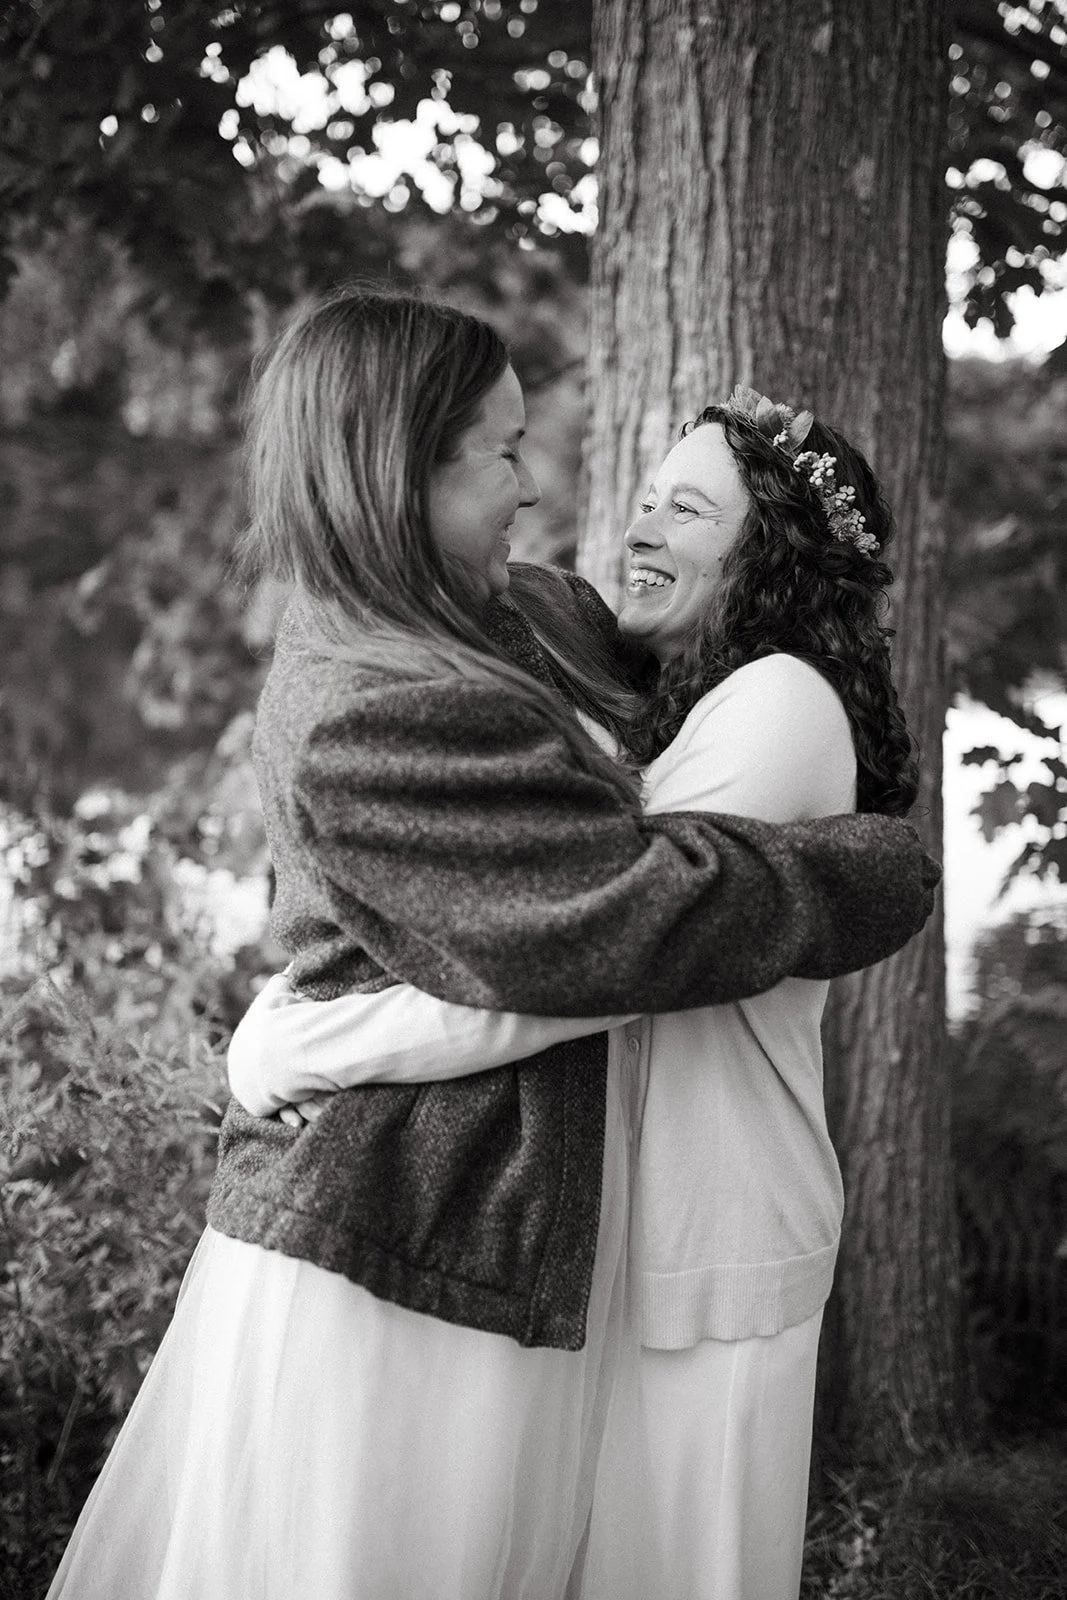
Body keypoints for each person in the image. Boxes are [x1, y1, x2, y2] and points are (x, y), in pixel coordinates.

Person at [46, 288, 934, 1600]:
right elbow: (607, 933)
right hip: (386, 1226)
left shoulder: (524, 618)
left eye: (681, 503)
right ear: (399, 470)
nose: (538, 489)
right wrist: (877, 876)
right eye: (500, 451)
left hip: (513, 1226)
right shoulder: (366, 705)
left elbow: (628, 872)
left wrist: (313, 1029)